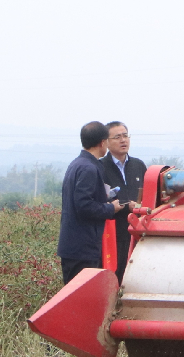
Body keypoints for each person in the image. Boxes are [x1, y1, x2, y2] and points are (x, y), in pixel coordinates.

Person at [57, 122, 134, 284]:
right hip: (83, 248)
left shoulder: (77, 164)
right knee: (83, 295)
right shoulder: (89, 168)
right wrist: (110, 208)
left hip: (73, 247)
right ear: (102, 142)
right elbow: (84, 205)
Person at [100, 122, 146, 283]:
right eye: (117, 137)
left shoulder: (138, 165)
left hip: (137, 232)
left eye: (125, 136)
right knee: (115, 278)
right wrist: (126, 206)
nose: (123, 140)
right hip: (113, 233)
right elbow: (101, 199)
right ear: (106, 142)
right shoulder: (100, 167)